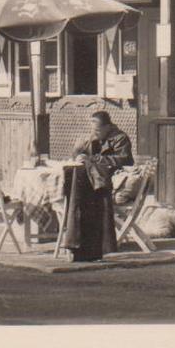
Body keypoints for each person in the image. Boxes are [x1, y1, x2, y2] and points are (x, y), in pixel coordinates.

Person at [62, 111, 134, 262]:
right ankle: (78, 244)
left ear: (108, 127)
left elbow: (125, 160)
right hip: (94, 180)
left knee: (85, 196)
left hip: (110, 181)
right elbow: (79, 153)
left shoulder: (120, 138)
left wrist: (96, 158)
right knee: (77, 187)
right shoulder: (93, 137)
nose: (95, 133)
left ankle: (86, 245)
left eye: (98, 130)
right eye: (93, 129)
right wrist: (79, 153)